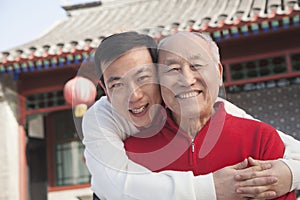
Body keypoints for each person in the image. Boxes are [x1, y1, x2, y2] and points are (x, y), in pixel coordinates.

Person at [82, 32, 300, 200]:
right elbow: (112, 187)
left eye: (143, 78)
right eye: (117, 84)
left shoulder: (221, 112)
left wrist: (289, 173)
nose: (134, 95)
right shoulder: (103, 120)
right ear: (105, 89)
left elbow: (286, 147)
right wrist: (212, 188)